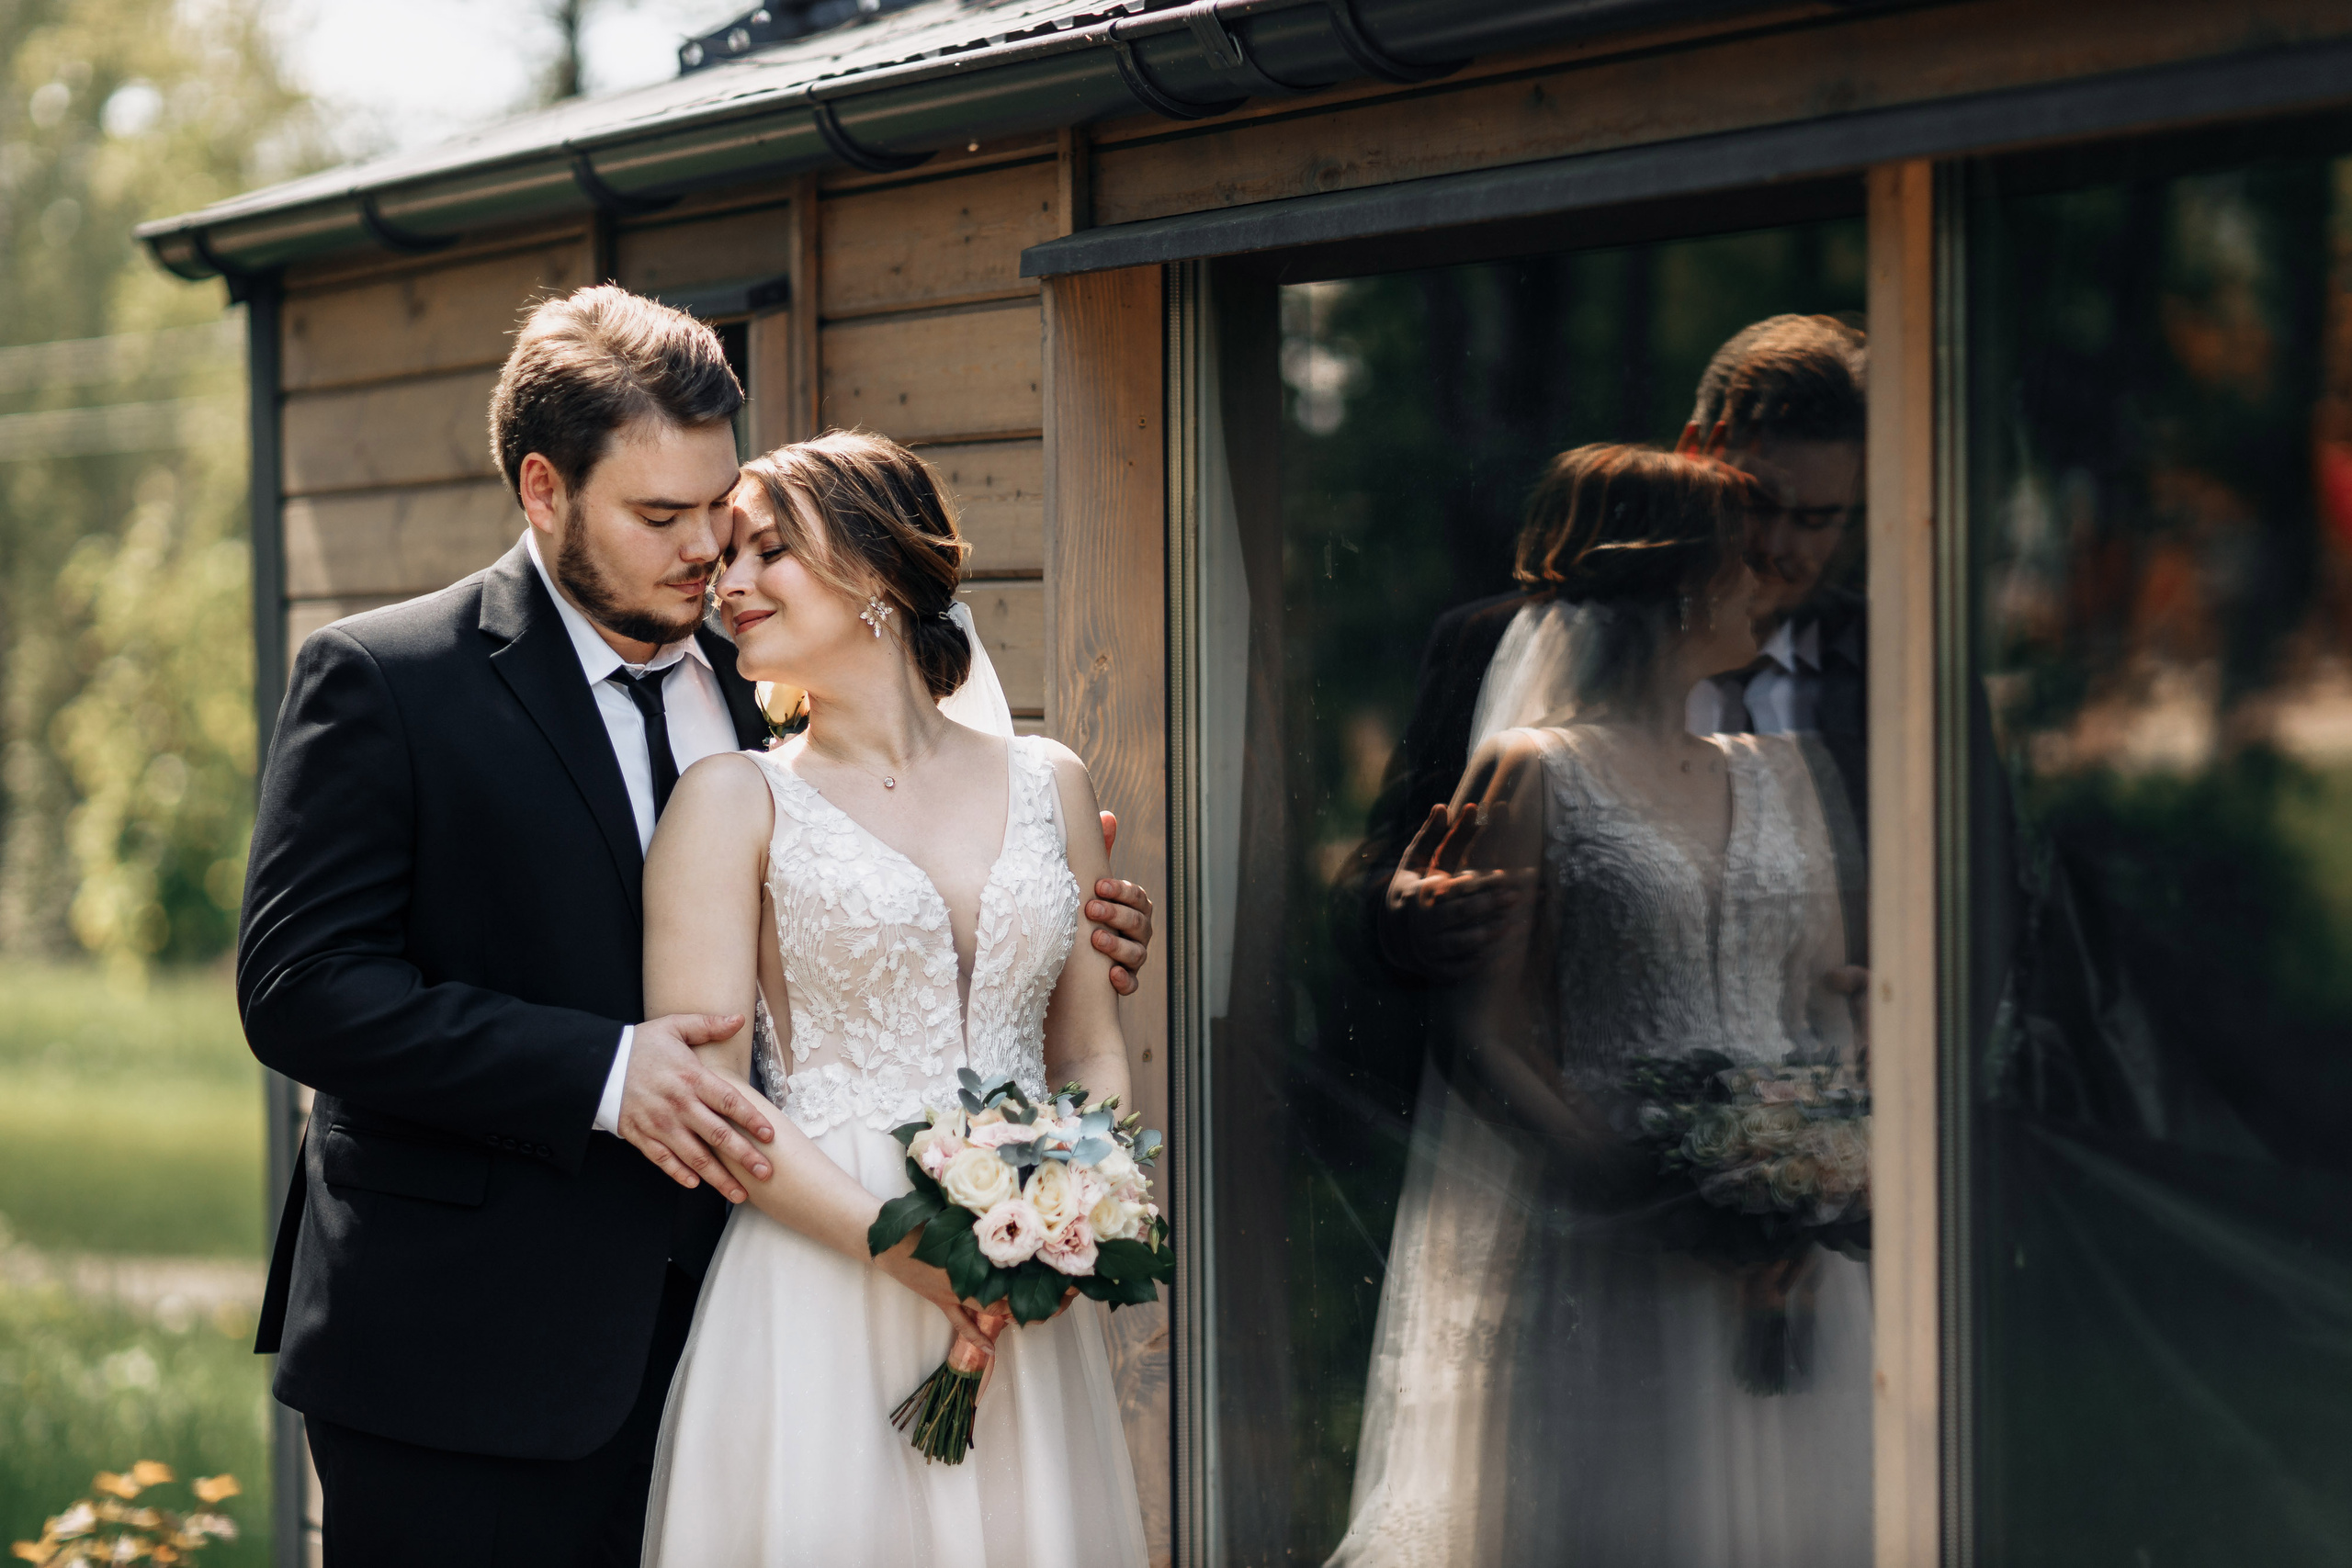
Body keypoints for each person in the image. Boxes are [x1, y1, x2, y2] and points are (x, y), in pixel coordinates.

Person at [235, 287, 1155, 1566]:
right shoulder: (389, 678)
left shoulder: (771, 655)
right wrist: (607, 1072)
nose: (705, 558)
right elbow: (301, 984)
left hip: (755, 1324)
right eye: (660, 518)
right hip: (471, 1347)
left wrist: (1058, 925)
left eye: (720, 515)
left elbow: (911, 885)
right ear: (544, 489)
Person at [1327, 446, 1871, 1568]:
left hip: (1790, 1250)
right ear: (1684, 587)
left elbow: (1827, 1005)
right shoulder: (1534, 771)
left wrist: (1821, 1170)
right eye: (1744, 557)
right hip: (1606, 1239)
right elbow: (1483, 1032)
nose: (1770, 572)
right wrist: (1637, 1188)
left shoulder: (1784, 770)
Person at [638, 433, 1149, 1563]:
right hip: (826, 1265)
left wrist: (1072, 1218)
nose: (727, 586)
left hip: (1020, 1281)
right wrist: (910, 1255)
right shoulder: (730, 802)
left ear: (872, 564)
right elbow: (721, 1108)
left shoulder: (1049, 778)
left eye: (767, 551)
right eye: (725, 558)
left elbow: (1092, 1050)